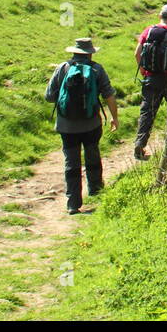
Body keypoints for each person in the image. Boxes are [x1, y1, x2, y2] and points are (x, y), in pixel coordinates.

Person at [44, 37, 119, 215]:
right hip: (91, 123)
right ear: (91, 54)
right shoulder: (97, 69)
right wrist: (114, 117)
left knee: (71, 161)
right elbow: (109, 94)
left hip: (66, 125)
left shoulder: (62, 68)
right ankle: (95, 191)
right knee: (92, 153)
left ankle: (73, 203)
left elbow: (49, 96)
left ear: (73, 52)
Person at [133, 5, 167, 161]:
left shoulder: (148, 31)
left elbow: (137, 52)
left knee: (147, 112)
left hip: (150, 78)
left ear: (160, 16)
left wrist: (143, 69)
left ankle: (139, 144)